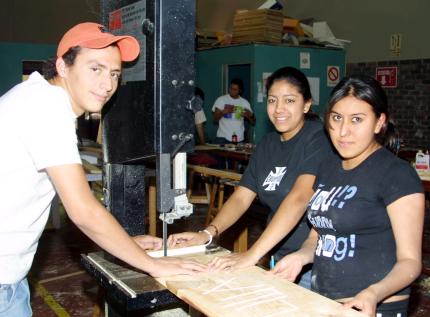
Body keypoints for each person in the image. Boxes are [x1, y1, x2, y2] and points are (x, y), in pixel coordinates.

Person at [0, 22, 206, 317]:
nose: (107, 84)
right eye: (95, 69)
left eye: (114, 74)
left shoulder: (36, 97)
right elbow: (83, 210)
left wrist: (124, 244)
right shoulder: (45, 108)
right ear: (63, 65)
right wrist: (151, 264)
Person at [168, 67, 336, 288]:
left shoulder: (318, 138)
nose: (279, 109)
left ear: (306, 104)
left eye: (289, 101)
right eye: (273, 100)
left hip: (315, 264)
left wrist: (252, 254)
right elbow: (241, 198)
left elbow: (299, 197)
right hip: (279, 256)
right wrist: (207, 234)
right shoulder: (268, 144)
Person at [270, 75, 424, 317]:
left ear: (378, 122)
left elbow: (410, 262)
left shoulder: (397, 174)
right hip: (325, 302)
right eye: (337, 118)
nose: (343, 131)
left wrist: (374, 293)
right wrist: (299, 257)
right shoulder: (328, 166)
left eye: (357, 120)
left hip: (373, 306)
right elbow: (318, 235)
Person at [212, 78, 255, 144]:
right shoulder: (221, 100)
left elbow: (253, 122)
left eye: (235, 90)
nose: (231, 91)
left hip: (239, 139)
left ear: (240, 91)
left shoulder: (245, 103)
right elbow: (214, 120)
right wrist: (223, 112)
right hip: (222, 138)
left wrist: (248, 116)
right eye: (230, 88)